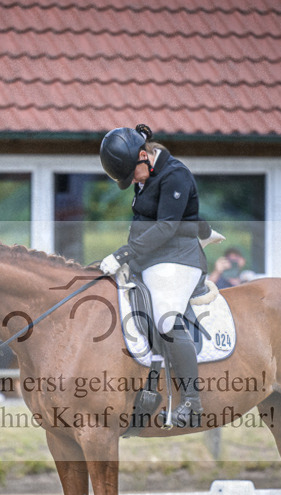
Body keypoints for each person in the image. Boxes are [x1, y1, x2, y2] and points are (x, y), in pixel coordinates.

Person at [98, 124, 207, 427]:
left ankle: (192, 402)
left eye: (132, 174)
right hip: (151, 258)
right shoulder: (144, 173)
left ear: (144, 156)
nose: (132, 181)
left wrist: (123, 254)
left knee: (165, 319)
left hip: (181, 257)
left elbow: (166, 227)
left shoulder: (176, 175)